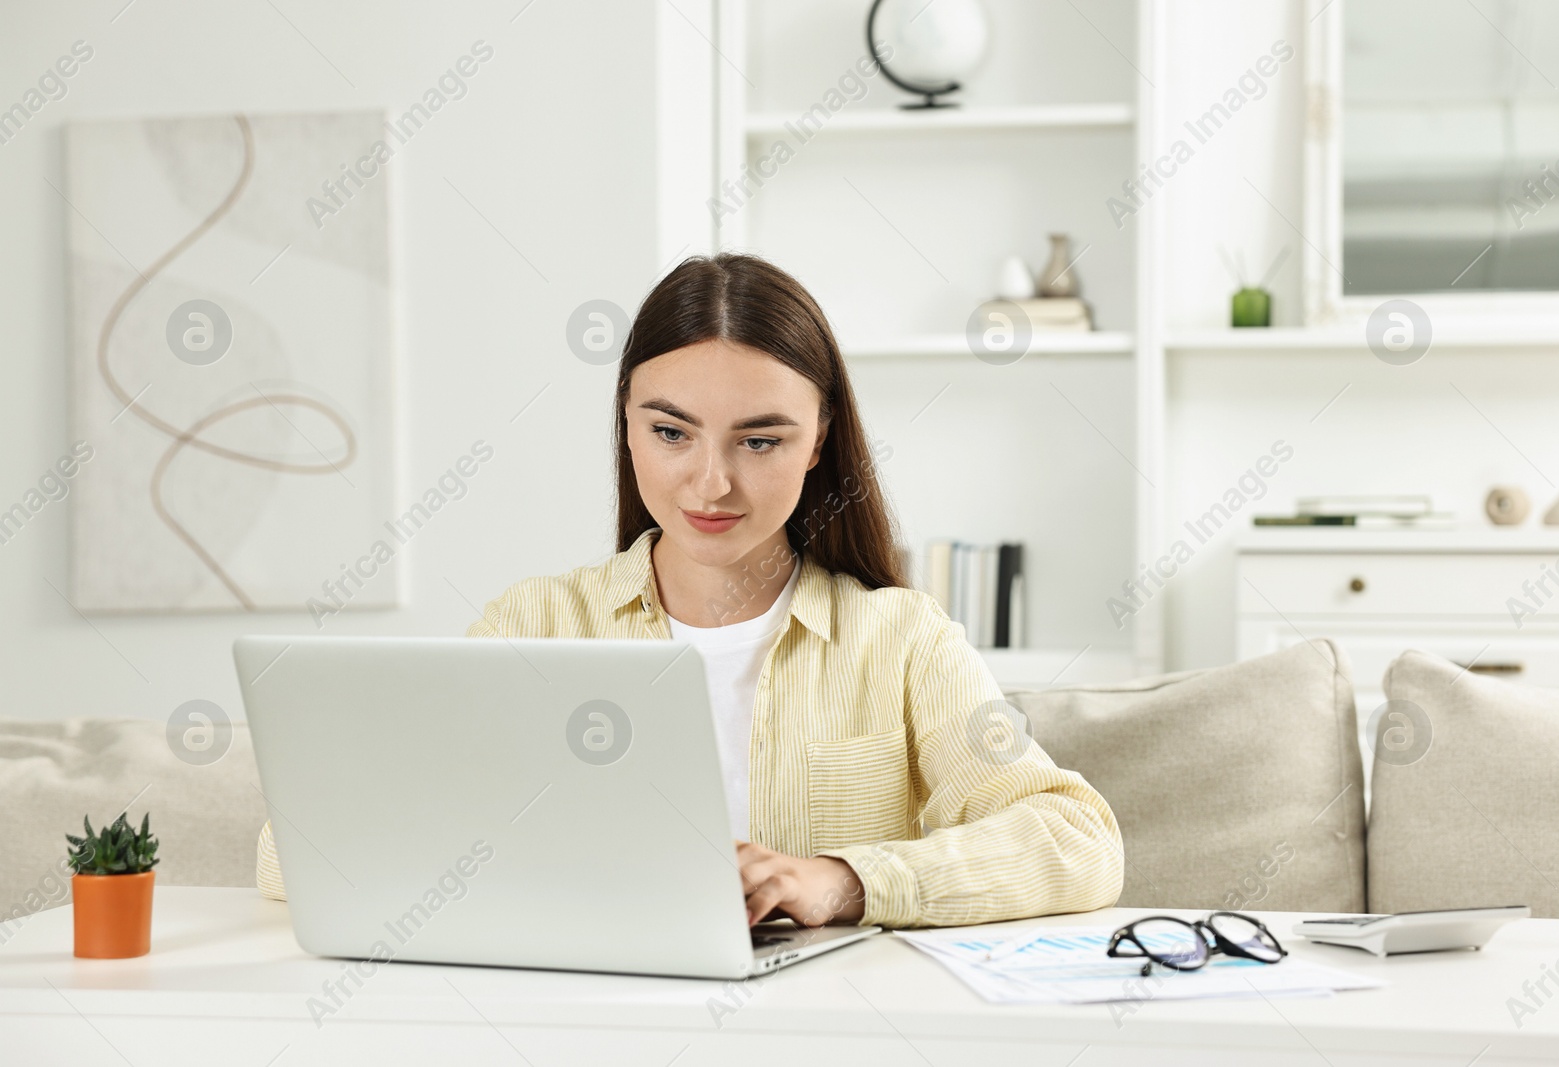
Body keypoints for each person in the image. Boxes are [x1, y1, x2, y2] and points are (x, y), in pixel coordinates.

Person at [255, 252, 1123, 928]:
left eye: (760, 441)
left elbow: (1079, 840)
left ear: (819, 441)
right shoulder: (537, 626)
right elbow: (292, 850)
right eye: (671, 431)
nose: (710, 485)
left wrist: (847, 879)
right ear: (627, 427)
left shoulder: (900, 639)